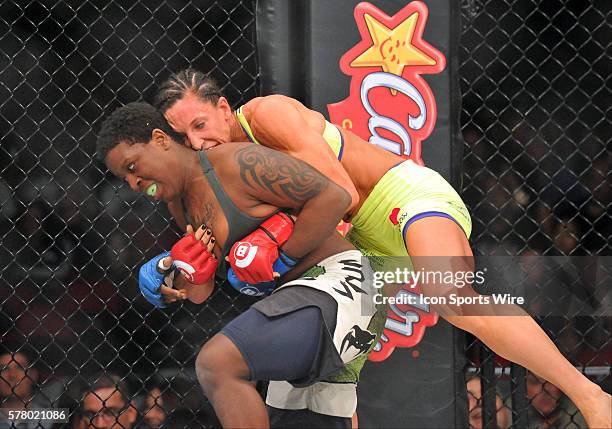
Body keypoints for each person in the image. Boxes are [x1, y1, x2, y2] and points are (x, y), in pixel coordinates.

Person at [151, 68, 611, 429]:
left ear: (225, 108)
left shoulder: (266, 116)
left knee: (449, 297)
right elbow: (204, 286)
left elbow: (342, 193)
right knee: (331, 367)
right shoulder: (208, 184)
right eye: (183, 135)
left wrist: (277, 242)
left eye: (200, 124)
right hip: (353, 245)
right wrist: (176, 273)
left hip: (400, 198)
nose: (197, 141)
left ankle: (591, 398)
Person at [96, 102, 384, 429]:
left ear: (161, 139)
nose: (134, 183)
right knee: (298, 421)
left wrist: (284, 254)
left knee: (217, 363)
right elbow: (201, 291)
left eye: (133, 166)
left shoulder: (237, 163)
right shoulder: (180, 205)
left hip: (344, 283)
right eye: (125, 177)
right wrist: (177, 274)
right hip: (299, 305)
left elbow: (334, 197)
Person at [0, 350, 52, 429]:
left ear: (33, 375)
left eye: (20, 367)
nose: (12, 375)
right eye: (4, 369)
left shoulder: (52, 419)